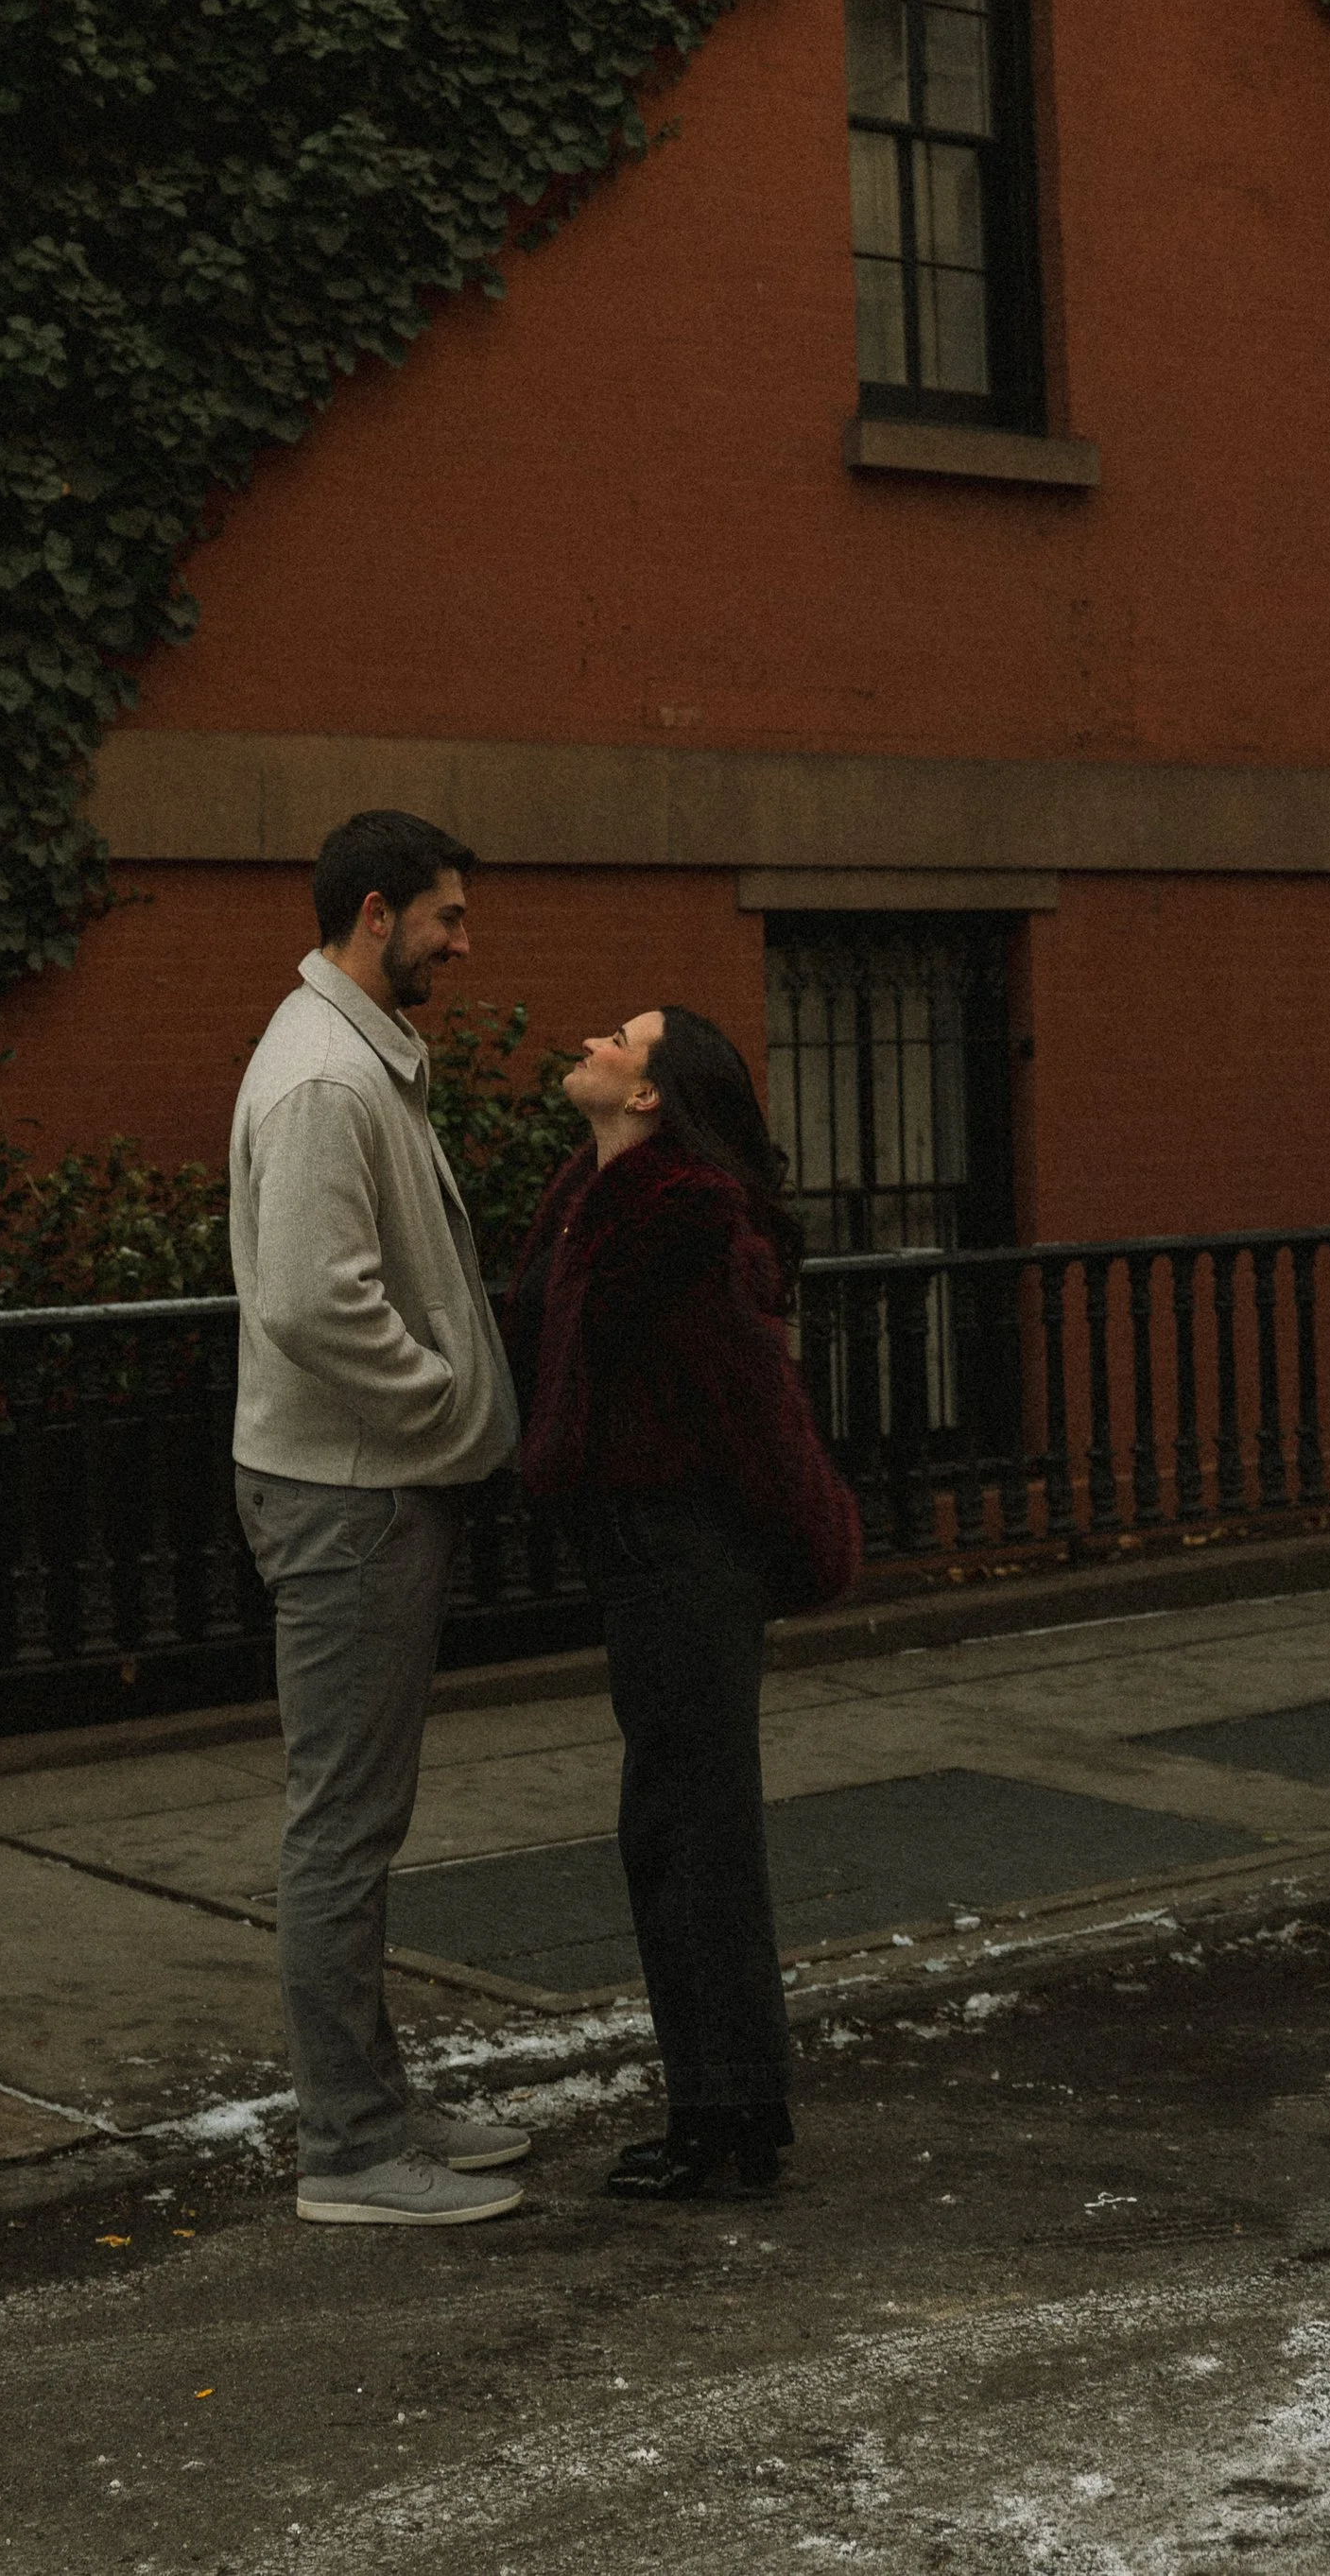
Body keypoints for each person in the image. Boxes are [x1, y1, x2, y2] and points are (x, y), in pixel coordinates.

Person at [229, 808, 531, 2228]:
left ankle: (377, 2104)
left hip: (361, 1487)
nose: (462, 943)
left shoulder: (351, 1059)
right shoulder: (323, 1079)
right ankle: (351, 2147)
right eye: (446, 918)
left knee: (359, 1818)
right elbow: (308, 1299)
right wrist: (450, 1410)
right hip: (350, 1496)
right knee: (343, 1826)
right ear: (373, 915)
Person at [509, 1006, 863, 2199]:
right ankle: (725, 2106)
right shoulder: (594, 1196)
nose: (595, 1040)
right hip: (637, 1542)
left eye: (620, 1036)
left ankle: (728, 2117)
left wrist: (806, 1544)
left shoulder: (685, 1219)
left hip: (688, 1544)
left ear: (652, 1094)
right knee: (671, 1822)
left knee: (692, 1828)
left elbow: (757, 1409)